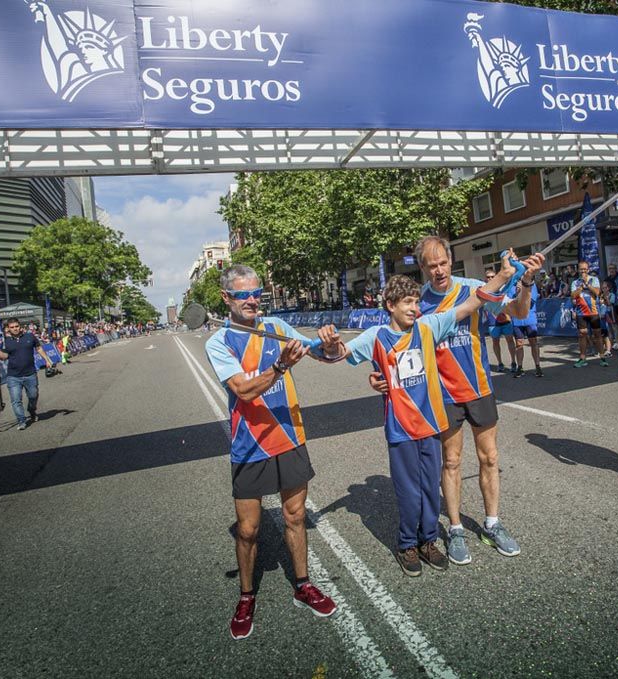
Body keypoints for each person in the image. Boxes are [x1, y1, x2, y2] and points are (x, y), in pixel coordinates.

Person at [316, 256, 518, 576]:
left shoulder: (428, 327)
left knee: (428, 489)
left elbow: (471, 303)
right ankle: (407, 543)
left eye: (415, 301)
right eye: (407, 303)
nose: (414, 308)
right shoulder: (377, 336)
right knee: (408, 492)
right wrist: (329, 347)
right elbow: (338, 354)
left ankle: (428, 540)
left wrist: (504, 276)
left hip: (430, 425)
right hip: (400, 429)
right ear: (390, 305)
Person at [369, 237, 542, 566]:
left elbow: (518, 311)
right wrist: (379, 376)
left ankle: (492, 523)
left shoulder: (474, 288)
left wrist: (527, 281)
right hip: (441, 396)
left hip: (478, 388)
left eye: (443, 263)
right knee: (450, 463)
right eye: (430, 265)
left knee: (489, 458)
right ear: (422, 268)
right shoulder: (416, 302)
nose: (438, 270)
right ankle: (457, 529)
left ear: (451, 261)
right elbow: (394, 346)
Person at [204, 264, 338, 641]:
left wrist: (329, 343)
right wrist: (280, 366)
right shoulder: (219, 342)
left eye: (255, 292)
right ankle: (247, 596)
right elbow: (244, 391)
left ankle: (303, 584)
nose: (251, 300)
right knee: (248, 530)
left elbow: (324, 355)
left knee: (295, 516)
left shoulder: (277, 328)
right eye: (242, 294)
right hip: (250, 445)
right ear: (226, 298)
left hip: (290, 438)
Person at [0, 319, 56, 431]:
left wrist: (47, 360)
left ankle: (31, 410)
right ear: (8, 328)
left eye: (16, 326)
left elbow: (38, 348)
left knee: (33, 396)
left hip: (30, 374)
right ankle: (21, 421)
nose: (15, 328)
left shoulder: (29, 336)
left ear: (20, 326)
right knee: (16, 400)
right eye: (12, 327)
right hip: (13, 376)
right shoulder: (6, 341)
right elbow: (3, 357)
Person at [571, 261, 608, 367]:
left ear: (588, 269)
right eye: (581, 269)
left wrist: (587, 284)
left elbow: (597, 292)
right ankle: (582, 358)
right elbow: (573, 295)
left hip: (593, 311)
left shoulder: (594, 279)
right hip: (581, 312)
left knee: (597, 334)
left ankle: (602, 357)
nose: (583, 271)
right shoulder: (575, 282)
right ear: (578, 270)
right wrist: (581, 287)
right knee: (582, 334)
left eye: (585, 269)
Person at [484, 269, 517, 373]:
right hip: (492, 321)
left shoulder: (503, 288)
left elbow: (509, 302)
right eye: (488, 277)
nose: (490, 278)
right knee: (495, 342)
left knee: (510, 341)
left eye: (492, 276)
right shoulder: (484, 290)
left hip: (506, 319)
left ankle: (513, 362)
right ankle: (500, 363)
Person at [512, 276, 542, 377]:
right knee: (519, 344)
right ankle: (520, 367)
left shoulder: (531, 285)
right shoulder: (512, 285)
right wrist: (517, 293)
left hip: (530, 319)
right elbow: (510, 303)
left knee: (533, 342)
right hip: (517, 320)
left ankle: (538, 366)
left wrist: (520, 293)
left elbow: (530, 302)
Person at [598, 280, 616, 357]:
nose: (603, 289)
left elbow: (609, 303)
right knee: (603, 333)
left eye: (605, 288)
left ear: (608, 288)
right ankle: (605, 349)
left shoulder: (612, 295)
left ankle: (609, 349)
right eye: (602, 288)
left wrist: (606, 298)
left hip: (609, 315)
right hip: (601, 316)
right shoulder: (600, 295)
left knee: (610, 332)